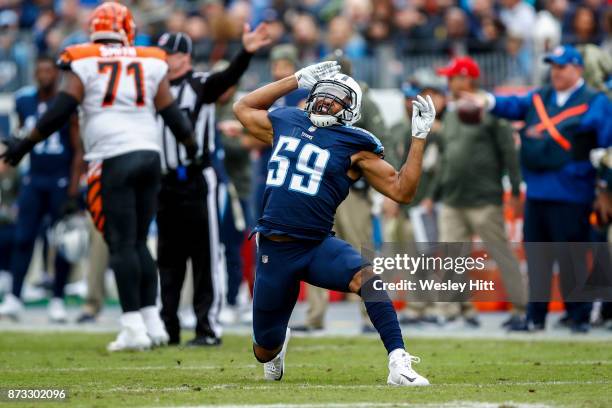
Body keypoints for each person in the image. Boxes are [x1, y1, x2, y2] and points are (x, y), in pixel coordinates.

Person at [0, 2, 199, 351]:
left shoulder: (84, 58)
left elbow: (61, 108)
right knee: (138, 241)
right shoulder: (149, 60)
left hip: (112, 156)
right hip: (149, 154)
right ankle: (153, 323)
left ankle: (133, 325)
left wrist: (23, 144)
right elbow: (170, 111)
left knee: (122, 243)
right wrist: (192, 146)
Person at [233, 61, 436, 385]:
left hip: (316, 245)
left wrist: (419, 137)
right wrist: (295, 79)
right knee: (263, 350)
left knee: (369, 278)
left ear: (351, 110)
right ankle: (277, 344)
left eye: (336, 97)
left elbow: (403, 190)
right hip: (276, 249)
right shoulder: (287, 120)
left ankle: (399, 362)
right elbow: (243, 107)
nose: (326, 100)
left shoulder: (355, 145)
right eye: (323, 93)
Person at [466, 45, 612, 332]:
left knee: (571, 256)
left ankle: (578, 316)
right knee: (537, 257)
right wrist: (487, 100)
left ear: (577, 68)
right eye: (553, 66)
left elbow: (605, 145)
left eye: (561, 66)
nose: (555, 72)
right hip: (538, 189)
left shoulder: (595, 101)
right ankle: (536, 317)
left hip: (572, 190)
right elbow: (512, 105)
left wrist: (604, 186)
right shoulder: (540, 96)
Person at [155, 25, 271, 347]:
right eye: (162, 53)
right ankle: (168, 327)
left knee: (204, 255)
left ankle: (207, 328)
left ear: (185, 57)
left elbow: (227, 79)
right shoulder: (154, 88)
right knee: (168, 259)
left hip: (196, 180)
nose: (166, 59)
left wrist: (246, 52)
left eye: (171, 54)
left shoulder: (199, 84)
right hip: (165, 182)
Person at [427, 56, 527, 329]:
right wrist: (434, 194)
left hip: (484, 199)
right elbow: (447, 157)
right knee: (450, 258)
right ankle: (455, 312)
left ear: (466, 78)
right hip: (453, 199)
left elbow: (509, 153)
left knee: (502, 254)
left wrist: (516, 191)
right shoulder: (449, 111)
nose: (447, 82)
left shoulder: (491, 109)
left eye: (452, 77)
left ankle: (521, 309)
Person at [0, 55, 84, 323]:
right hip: (34, 179)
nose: (45, 74)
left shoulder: (67, 102)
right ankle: (14, 297)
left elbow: (77, 147)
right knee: (23, 238)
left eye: (50, 70)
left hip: (60, 179)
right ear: (35, 73)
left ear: (57, 74)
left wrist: (73, 188)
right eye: (41, 70)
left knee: (60, 243)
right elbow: (20, 136)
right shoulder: (25, 101)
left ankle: (57, 298)